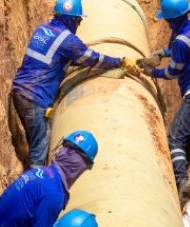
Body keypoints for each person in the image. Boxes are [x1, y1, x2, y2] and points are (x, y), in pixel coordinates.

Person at [11, 0, 140, 167]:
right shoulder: (67, 40)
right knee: (41, 144)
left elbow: (58, 58)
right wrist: (120, 62)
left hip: (21, 89)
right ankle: (36, 183)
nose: (79, 24)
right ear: (71, 20)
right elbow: (92, 58)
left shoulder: (44, 29)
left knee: (35, 139)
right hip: (35, 96)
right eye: (79, 20)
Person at [143, 0, 190, 205]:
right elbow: (176, 47)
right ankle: (180, 184)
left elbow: (172, 71)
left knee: (175, 138)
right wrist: (161, 53)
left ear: (171, 20)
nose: (165, 23)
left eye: (166, 20)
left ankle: (182, 185)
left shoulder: (181, 42)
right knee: (187, 142)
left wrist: (152, 72)